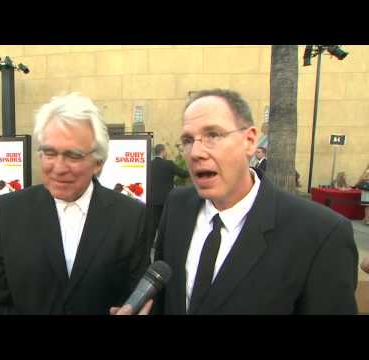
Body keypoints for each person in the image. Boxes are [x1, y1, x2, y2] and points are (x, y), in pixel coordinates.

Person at [151, 89, 358, 314]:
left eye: (212, 135)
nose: (196, 153)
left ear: (249, 141)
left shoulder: (321, 233)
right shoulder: (177, 205)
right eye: (188, 140)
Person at [0, 93, 150, 314]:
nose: (59, 167)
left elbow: (137, 297)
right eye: (49, 153)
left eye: (73, 156)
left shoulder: (131, 216)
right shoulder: (6, 212)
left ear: (98, 163)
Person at [150, 143, 189, 244]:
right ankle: (164, 246)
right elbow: (184, 174)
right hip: (167, 200)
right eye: (165, 151)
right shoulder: (169, 164)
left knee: (153, 226)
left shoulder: (149, 165)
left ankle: (150, 247)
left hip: (152, 201)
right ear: (163, 151)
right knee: (166, 226)